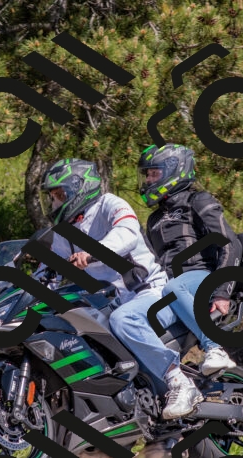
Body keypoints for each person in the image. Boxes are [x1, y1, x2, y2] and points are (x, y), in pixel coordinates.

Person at [38, 158, 205, 420]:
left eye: (59, 195)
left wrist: (90, 253)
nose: (54, 203)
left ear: (79, 188)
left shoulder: (110, 204)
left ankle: (179, 382)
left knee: (123, 319)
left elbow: (126, 234)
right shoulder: (64, 232)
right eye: (52, 198)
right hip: (110, 301)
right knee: (72, 329)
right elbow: (48, 269)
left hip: (150, 292)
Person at [139, 143, 243, 375]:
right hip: (168, 287)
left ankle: (214, 347)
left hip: (200, 277)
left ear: (174, 170)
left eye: (154, 173)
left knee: (175, 287)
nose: (148, 180)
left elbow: (230, 244)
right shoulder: (154, 219)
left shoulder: (197, 200)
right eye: (147, 175)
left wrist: (222, 292)